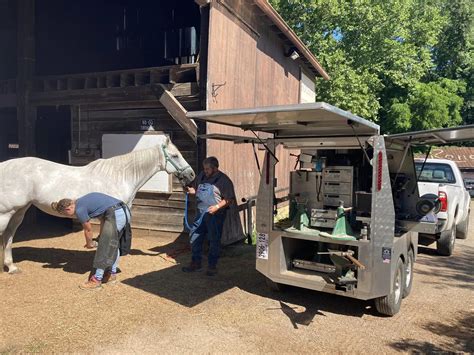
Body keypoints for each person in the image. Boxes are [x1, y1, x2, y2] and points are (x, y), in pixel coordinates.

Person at [51, 192, 132, 290]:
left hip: (116, 213)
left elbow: (88, 230)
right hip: (123, 210)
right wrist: (101, 237)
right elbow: (104, 219)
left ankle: (96, 280)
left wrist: (89, 243)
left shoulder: (79, 209)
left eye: (65, 214)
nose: (68, 217)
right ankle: (111, 274)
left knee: (104, 246)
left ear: (68, 209)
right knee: (113, 244)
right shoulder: (83, 202)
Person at [183, 156, 236, 276]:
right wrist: (190, 191)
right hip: (200, 214)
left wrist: (217, 207)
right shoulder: (201, 176)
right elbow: (196, 190)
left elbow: (229, 199)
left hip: (215, 215)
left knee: (213, 240)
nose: (205, 171)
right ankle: (196, 263)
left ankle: (212, 266)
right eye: (204, 168)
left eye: (207, 169)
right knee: (194, 236)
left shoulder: (223, 180)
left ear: (215, 168)